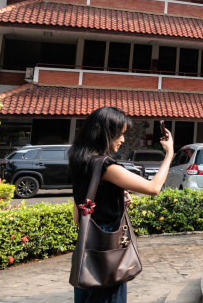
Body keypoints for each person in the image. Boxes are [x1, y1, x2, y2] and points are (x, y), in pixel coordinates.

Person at [69, 106, 174, 303]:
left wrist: (114, 194)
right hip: (107, 249)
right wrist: (169, 154)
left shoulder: (80, 161)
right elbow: (153, 187)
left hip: (85, 247)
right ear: (105, 133)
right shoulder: (106, 166)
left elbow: (78, 215)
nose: (123, 139)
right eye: (120, 134)